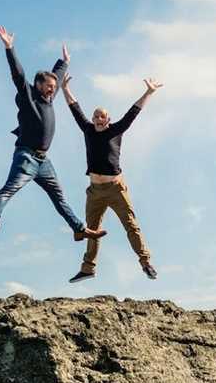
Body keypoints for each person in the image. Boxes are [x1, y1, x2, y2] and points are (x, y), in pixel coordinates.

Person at [0, 26, 107, 243]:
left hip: (43, 161)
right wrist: (9, 48)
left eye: (53, 87)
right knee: (10, 189)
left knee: (59, 197)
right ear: (37, 86)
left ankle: (79, 229)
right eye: (48, 87)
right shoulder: (30, 97)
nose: (52, 90)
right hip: (26, 157)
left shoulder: (49, 96)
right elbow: (18, 76)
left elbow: (56, 76)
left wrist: (64, 61)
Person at [61, 74, 162, 283]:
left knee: (131, 225)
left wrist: (148, 92)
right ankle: (88, 268)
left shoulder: (116, 130)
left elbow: (133, 112)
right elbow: (74, 108)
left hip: (116, 188)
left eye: (102, 116)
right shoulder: (88, 130)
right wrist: (64, 88)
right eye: (95, 116)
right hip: (95, 191)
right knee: (91, 230)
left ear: (108, 119)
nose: (98, 119)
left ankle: (146, 263)